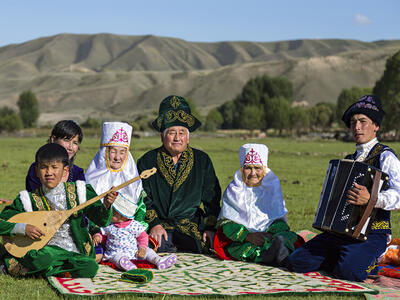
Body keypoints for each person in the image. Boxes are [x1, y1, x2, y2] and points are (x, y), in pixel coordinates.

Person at [286, 95, 400, 282]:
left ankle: (376, 255)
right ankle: (343, 258)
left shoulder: (386, 157)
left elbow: (399, 194)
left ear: (376, 126)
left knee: (348, 273)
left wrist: (372, 198)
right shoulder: (348, 159)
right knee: (295, 262)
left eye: (363, 122)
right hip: (339, 232)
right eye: (353, 122)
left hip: (372, 233)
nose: (357, 127)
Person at [0, 143, 116, 278]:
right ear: (37, 170)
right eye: (44, 167)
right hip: (44, 251)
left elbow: (101, 220)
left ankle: (42, 270)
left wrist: (107, 205)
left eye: (55, 167)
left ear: (65, 171)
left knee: (90, 267)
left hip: (75, 252)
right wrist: (23, 228)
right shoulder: (27, 199)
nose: (49, 172)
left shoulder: (80, 191)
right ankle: (58, 269)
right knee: (43, 257)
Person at [137, 95, 221, 254]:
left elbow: (212, 199)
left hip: (190, 225)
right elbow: (141, 196)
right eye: (172, 132)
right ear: (162, 136)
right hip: (159, 224)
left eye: (182, 132)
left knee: (201, 251)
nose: (177, 138)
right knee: (154, 250)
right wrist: (154, 223)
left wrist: (210, 228)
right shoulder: (147, 161)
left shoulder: (202, 161)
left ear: (188, 138)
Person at [214, 143, 300, 266]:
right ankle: (269, 255)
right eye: (248, 167)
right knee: (235, 248)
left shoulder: (272, 187)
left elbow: (279, 220)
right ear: (242, 169)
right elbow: (226, 223)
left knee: (289, 237)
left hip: (271, 235)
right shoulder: (234, 190)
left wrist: (271, 234)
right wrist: (247, 236)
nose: (253, 173)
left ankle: (276, 250)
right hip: (244, 239)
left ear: (264, 169)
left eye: (258, 168)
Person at [93, 193, 177, 271]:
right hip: (115, 252)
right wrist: (98, 236)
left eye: (113, 213)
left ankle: (158, 260)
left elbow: (143, 237)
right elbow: (103, 235)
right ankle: (125, 264)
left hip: (134, 251)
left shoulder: (134, 225)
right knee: (116, 257)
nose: (110, 214)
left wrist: (142, 248)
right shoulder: (110, 225)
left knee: (149, 251)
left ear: (123, 216)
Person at [85, 122, 147, 227]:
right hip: (98, 235)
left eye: (122, 152)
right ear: (104, 152)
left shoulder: (133, 181)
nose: (117, 157)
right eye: (113, 151)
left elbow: (140, 212)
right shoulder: (90, 180)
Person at [25, 120, 85, 192]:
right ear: (53, 139)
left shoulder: (78, 173)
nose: (70, 147)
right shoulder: (38, 169)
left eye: (75, 143)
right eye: (66, 140)